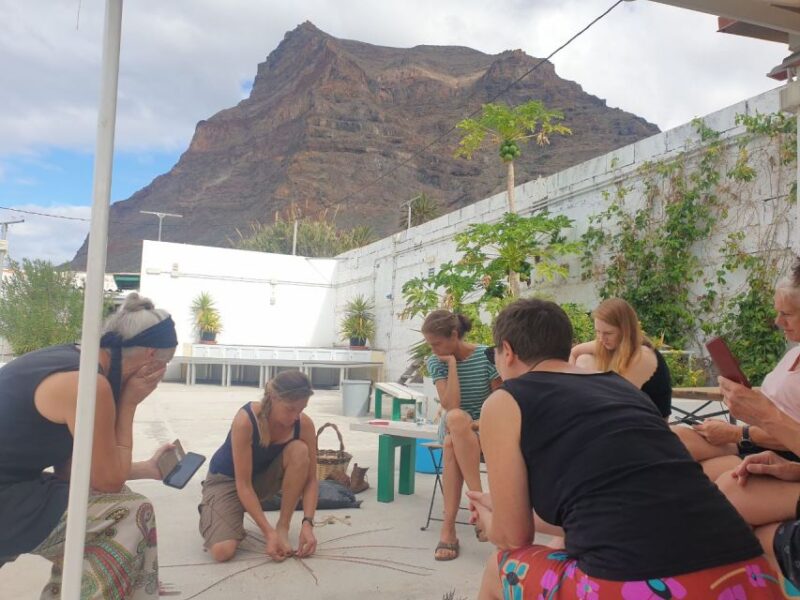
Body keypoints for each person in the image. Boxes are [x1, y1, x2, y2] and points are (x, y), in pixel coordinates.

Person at [470, 298, 781, 600]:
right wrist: (499, 507)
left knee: (500, 570)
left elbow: (513, 537)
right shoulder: (621, 388)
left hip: (644, 585)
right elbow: (604, 510)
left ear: (507, 351)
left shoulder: (505, 400)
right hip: (750, 576)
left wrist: (490, 522)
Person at [0, 293, 178, 600]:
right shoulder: (89, 384)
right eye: (165, 364)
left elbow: (75, 472)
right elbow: (108, 480)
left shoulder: (72, 360)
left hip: (13, 488)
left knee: (114, 503)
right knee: (131, 513)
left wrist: (147, 469)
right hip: (8, 497)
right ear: (151, 358)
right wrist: (130, 403)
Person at [672, 268, 800, 480]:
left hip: (775, 447)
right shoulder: (793, 354)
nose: (778, 322)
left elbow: (785, 424)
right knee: (672, 440)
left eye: (786, 314)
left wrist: (738, 434)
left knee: (695, 478)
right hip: (753, 438)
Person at [199, 370, 318, 563]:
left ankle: (283, 526)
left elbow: (311, 480)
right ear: (273, 398)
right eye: (290, 409)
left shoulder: (303, 425)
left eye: (301, 409)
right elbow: (243, 484)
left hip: (264, 480)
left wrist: (308, 523)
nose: (296, 416)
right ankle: (213, 507)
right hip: (228, 481)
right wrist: (267, 533)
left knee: (299, 450)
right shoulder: (246, 420)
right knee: (222, 552)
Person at [422, 310, 501, 561]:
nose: (433, 350)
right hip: (457, 427)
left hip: (485, 428)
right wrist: (453, 365)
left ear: (454, 334)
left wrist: (478, 425)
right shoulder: (437, 361)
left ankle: (448, 530)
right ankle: (480, 502)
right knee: (455, 421)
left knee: (449, 444)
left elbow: (501, 402)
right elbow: (451, 405)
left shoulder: (487, 356)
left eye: (437, 343)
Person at [569, 297, 672, 417]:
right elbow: (574, 352)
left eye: (608, 333)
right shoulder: (608, 343)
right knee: (584, 359)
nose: (601, 339)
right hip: (622, 413)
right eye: (598, 332)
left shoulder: (643, 355)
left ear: (625, 331)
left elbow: (616, 400)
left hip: (648, 422)